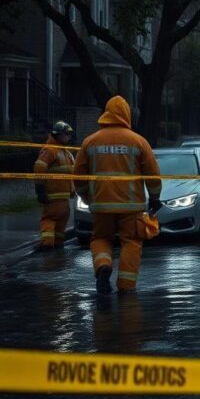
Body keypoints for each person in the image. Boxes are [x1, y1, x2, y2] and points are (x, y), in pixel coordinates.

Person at [74, 96, 162, 294]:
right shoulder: (138, 141)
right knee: (131, 242)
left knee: (100, 239)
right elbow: (153, 175)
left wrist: (86, 197)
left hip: (101, 206)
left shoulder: (90, 141)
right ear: (126, 114)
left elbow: (78, 175)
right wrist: (155, 198)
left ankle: (103, 266)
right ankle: (126, 286)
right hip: (131, 207)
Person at [33, 121, 76, 251]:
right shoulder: (49, 150)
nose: (68, 137)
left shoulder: (67, 153)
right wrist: (40, 190)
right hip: (52, 196)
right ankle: (47, 244)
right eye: (66, 134)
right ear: (57, 135)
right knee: (49, 219)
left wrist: (72, 189)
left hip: (64, 198)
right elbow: (39, 168)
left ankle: (57, 243)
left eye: (69, 134)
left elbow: (70, 173)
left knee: (61, 221)